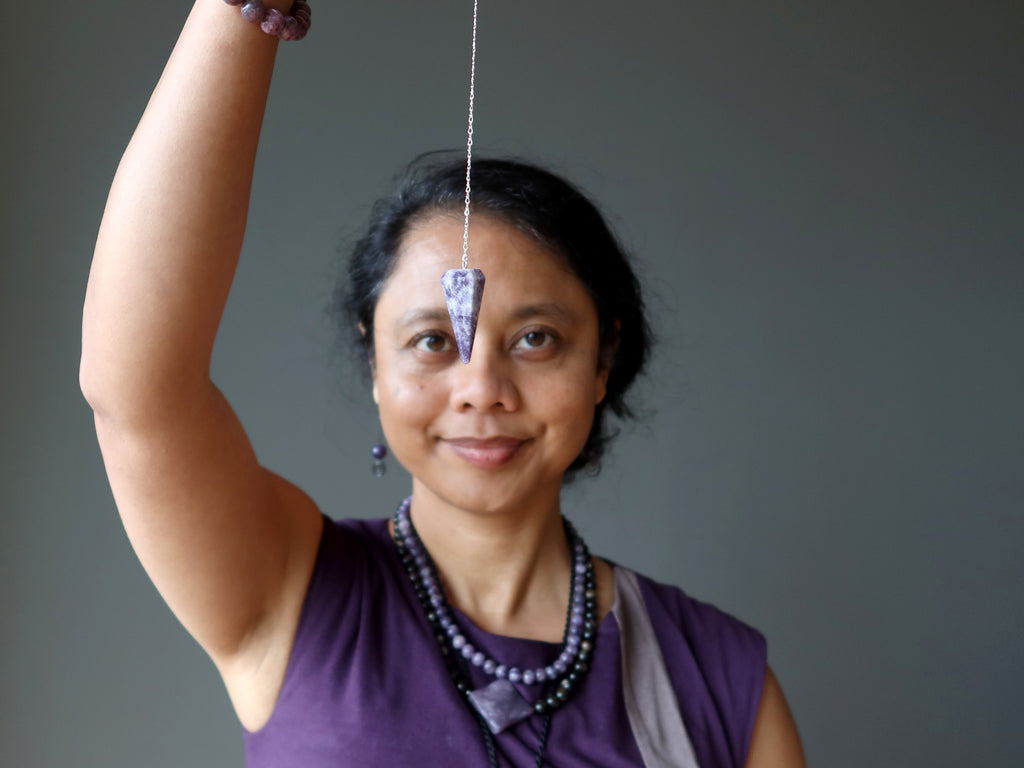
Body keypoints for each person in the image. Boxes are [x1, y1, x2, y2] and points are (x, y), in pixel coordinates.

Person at [80, 1, 806, 766]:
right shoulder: (291, 590)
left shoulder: (721, 681)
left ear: (603, 360)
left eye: (535, 339)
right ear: (374, 365)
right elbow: (138, 390)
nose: (481, 388)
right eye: (432, 341)